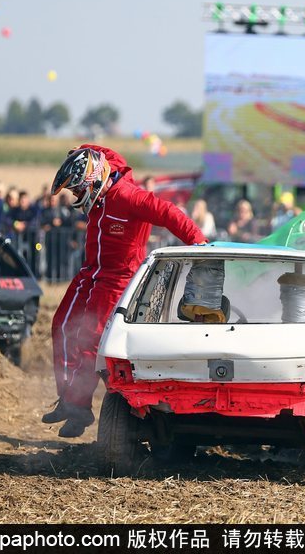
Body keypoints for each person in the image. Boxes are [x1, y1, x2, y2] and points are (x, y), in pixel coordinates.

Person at [42, 144, 207, 437]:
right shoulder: (105, 173)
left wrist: (198, 242)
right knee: (61, 326)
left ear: (93, 180)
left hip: (117, 277)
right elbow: (106, 154)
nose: (77, 197)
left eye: (78, 190)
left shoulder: (130, 196)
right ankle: (70, 400)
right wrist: (82, 149)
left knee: (90, 338)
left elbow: (168, 212)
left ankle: (81, 408)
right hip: (90, 272)